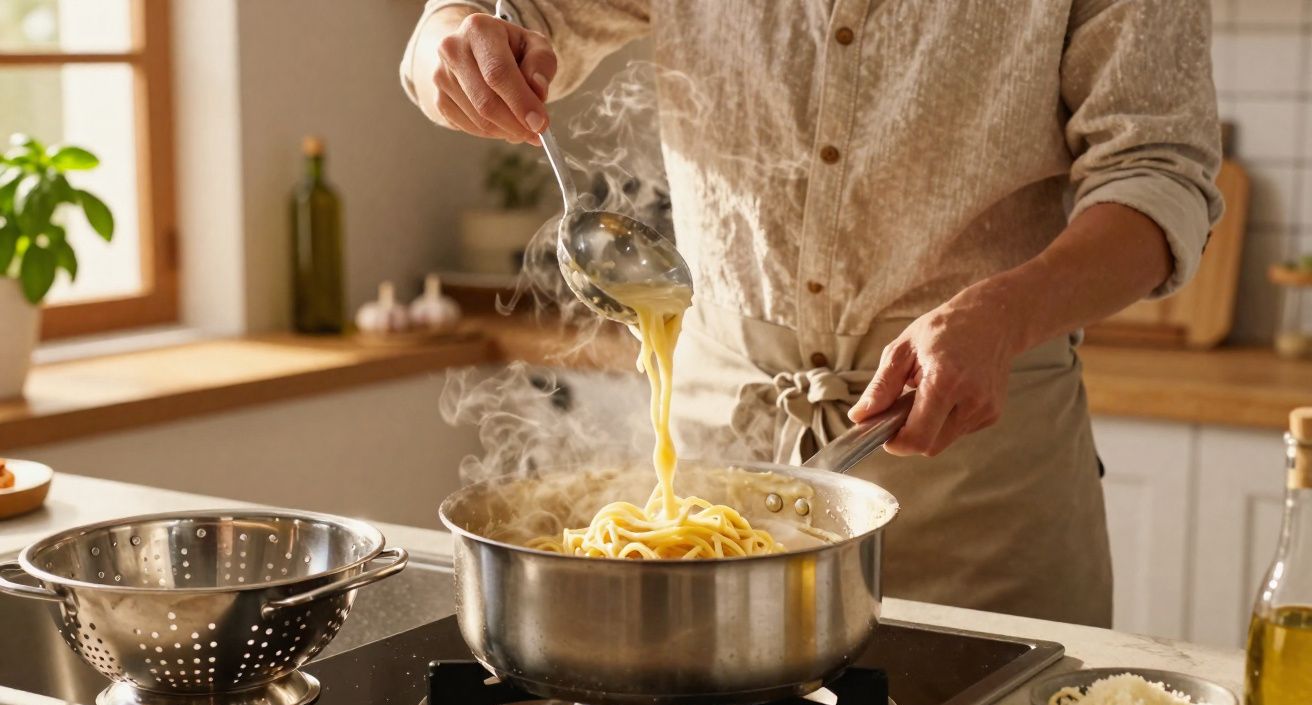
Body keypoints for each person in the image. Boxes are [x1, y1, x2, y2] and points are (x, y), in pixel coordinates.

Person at [400, 1, 1222, 626]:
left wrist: (1003, 314)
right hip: (717, 459)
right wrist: (453, 35)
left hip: (976, 465)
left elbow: (1161, 174)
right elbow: (511, 15)